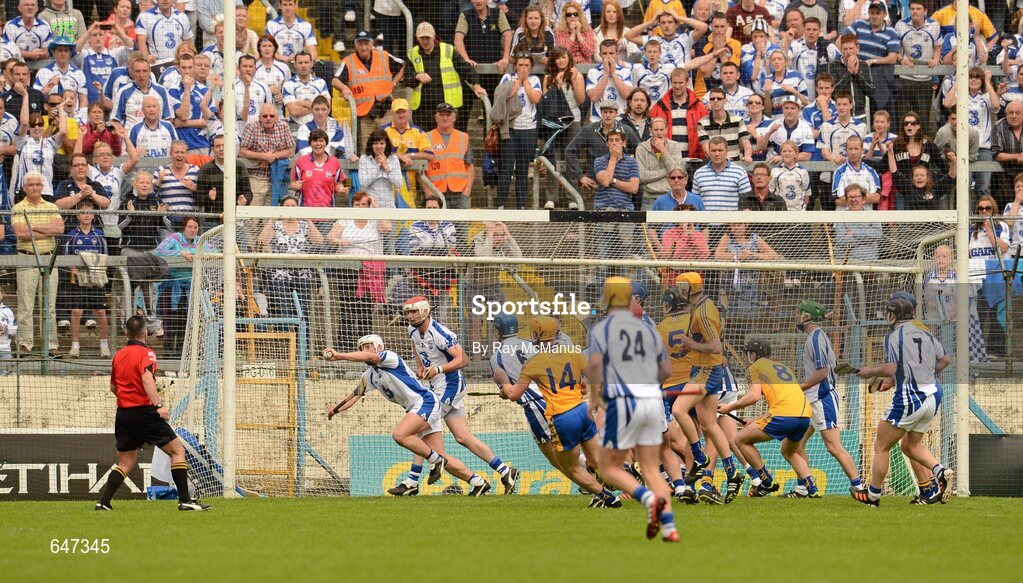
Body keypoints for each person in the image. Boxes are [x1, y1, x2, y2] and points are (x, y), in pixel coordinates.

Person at [325, 334, 489, 496]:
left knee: (400, 435)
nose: (364, 350)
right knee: (440, 454)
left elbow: (369, 356)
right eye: (361, 348)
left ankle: (428, 468)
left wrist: (339, 355)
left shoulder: (389, 357)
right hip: (417, 408)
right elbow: (354, 396)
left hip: (426, 402)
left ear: (379, 348)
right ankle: (477, 482)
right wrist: (336, 409)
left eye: (368, 346)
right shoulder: (368, 376)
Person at [388, 296, 517, 497]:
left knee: (416, 426)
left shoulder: (440, 333)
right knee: (462, 437)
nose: (411, 316)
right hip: (437, 386)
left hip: (450, 386)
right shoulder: (412, 330)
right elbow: (416, 346)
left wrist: (438, 369)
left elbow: (463, 359)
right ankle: (505, 471)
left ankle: (412, 481)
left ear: (425, 311)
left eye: (414, 311)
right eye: (408, 312)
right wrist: (421, 366)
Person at [585, 277, 678, 541]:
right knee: (651, 466)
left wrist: (595, 398)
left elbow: (594, 369)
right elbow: (667, 370)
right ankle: (669, 526)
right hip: (651, 401)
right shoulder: (649, 330)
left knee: (609, 467)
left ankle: (648, 499)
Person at [501, 316, 623, 507]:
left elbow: (515, 395)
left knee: (570, 468)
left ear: (536, 335)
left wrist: (504, 388)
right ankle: (636, 485)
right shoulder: (573, 353)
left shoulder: (532, 364)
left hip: (562, 417)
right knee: (598, 461)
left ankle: (608, 497)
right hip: (583, 411)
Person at [95, 315, 209, 511]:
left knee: (125, 462)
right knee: (177, 451)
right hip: (144, 412)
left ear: (125, 333)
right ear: (146, 333)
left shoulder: (118, 356)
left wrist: (127, 397)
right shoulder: (147, 354)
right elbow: (147, 379)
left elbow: (113, 387)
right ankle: (185, 501)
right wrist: (158, 406)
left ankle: (103, 502)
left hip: (123, 415)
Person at [853, 293, 954, 507]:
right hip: (933, 394)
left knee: (881, 445)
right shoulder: (925, 332)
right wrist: (916, 375)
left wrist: (870, 371)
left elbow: (890, 368)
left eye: (889, 311)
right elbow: (945, 359)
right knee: (910, 445)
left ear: (896, 313)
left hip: (911, 396)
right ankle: (940, 473)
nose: (887, 315)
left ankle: (873, 496)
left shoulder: (893, 336)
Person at [667, 271, 742, 502]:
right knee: (709, 424)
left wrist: (690, 343)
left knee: (678, 410)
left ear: (688, 288)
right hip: (704, 369)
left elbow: (716, 347)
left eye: (681, 286)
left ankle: (699, 458)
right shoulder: (700, 306)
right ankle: (732, 471)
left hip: (706, 372)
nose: (678, 289)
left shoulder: (703, 312)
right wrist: (689, 347)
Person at [719, 339, 819, 498]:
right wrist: (759, 419)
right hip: (804, 416)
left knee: (740, 440)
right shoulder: (782, 367)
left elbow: (754, 396)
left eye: (747, 355)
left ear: (753, 355)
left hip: (783, 415)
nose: (746, 359)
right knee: (789, 451)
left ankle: (766, 481)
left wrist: (729, 407)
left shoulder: (754, 367)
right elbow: (780, 398)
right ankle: (812, 489)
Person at [789, 300, 864, 496]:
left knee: (833, 447)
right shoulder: (817, 337)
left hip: (822, 398)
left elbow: (822, 373)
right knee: (796, 444)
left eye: (800, 313)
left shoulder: (815, 338)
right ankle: (802, 488)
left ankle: (859, 487)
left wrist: (801, 387)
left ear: (807, 317)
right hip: (812, 399)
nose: (798, 316)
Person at [326, 191, 390, 348]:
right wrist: (340, 241)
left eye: (364, 204)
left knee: (365, 310)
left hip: (370, 271)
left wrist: (376, 207)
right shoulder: (345, 219)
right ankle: (345, 347)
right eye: (357, 204)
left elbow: (387, 228)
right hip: (348, 270)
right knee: (347, 308)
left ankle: (366, 347)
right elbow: (331, 237)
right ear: (352, 205)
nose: (361, 207)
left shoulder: (375, 220)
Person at [11, 171, 62, 356]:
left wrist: (32, 227)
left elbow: (59, 228)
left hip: (49, 258)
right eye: (31, 184)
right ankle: (25, 344)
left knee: (49, 305)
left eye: (38, 184)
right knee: (26, 304)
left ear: (42, 186)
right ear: (25, 188)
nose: (35, 187)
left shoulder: (51, 206)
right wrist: (45, 231)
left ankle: (51, 345)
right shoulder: (18, 207)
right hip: (26, 257)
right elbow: (20, 233)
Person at [405, 22, 485, 134]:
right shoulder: (413, 54)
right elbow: (406, 78)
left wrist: (477, 85)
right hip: (423, 109)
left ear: (433, 37)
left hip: (446, 108)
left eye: (427, 37)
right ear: (417, 39)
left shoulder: (448, 50)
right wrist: (416, 76)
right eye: (422, 38)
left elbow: (467, 70)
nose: (425, 41)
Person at [257, 195, 323, 319]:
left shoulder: (304, 225)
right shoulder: (276, 224)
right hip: (279, 273)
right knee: (283, 309)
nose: (290, 208)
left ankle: (303, 337)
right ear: (281, 208)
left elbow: (319, 241)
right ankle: (285, 336)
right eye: (287, 206)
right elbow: (262, 241)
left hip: (303, 273)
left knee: (303, 311)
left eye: (293, 206)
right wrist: (271, 219)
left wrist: (309, 221)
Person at [334, 31, 404, 143]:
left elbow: (403, 66)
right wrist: (343, 87)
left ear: (372, 43)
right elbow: (335, 80)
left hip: (386, 112)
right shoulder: (348, 61)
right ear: (355, 45)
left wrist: (393, 83)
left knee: (390, 145)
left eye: (366, 43)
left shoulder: (383, 56)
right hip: (365, 115)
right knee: (366, 149)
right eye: (360, 44)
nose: (363, 47)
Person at [63, 199, 110, 358]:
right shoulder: (72, 235)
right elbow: (66, 255)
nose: (86, 215)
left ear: (94, 215)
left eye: (89, 212)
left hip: (96, 278)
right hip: (78, 280)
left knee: (100, 311)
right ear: (77, 215)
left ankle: (104, 345)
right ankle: (75, 346)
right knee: (76, 311)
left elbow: (105, 255)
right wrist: (71, 267)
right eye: (82, 212)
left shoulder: (99, 234)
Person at [497, 56, 540, 209]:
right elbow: (503, 97)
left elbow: (535, 98)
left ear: (531, 67)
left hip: (528, 130)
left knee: (523, 169)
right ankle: (501, 205)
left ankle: (520, 205)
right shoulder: (508, 78)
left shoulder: (534, 80)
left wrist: (525, 81)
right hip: (510, 129)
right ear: (515, 66)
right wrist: (517, 82)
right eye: (520, 65)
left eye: (527, 65)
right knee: (507, 168)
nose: (523, 68)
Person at [153, 216, 199, 356]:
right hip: (171, 287)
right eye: (189, 227)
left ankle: (180, 356)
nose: (192, 230)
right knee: (170, 323)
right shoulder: (174, 238)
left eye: (195, 227)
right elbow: (158, 252)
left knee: (185, 324)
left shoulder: (200, 241)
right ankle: (168, 355)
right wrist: (180, 253)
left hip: (190, 289)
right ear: (183, 227)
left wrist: (193, 253)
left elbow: (213, 252)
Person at [454, 0, 513, 103]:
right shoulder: (465, 15)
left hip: (494, 70)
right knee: (465, 109)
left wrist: (505, 58)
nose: (478, 1)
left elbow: (508, 34)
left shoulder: (498, 13)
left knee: (493, 107)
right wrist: (466, 59)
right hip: (472, 71)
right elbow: (458, 39)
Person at [894, 0, 941, 130]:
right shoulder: (901, 25)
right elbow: (894, 48)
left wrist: (936, 59)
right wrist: (902, 60)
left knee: (922, 119)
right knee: (903, 118)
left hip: (925, 80)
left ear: (925, 11)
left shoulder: (934, 25)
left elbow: (938, 46)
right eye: (912, 8)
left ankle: (921, 146)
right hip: (905, 79)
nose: (915, 11)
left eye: (918, 9)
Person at [886, 110, 946, 209]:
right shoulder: (897, 145)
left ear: (918, 126)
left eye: (912, 123)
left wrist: (934, 183)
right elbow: (883, 165)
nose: (909, 126)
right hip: (903, 191)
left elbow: (942, 166)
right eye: (906, 123)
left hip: (924, 192)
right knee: (904, 223)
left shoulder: (928, 145)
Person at [239, 104, 295, 207]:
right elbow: (242, 151)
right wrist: (263, 156)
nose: (268, 118)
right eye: (265, 116)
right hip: (257, 178)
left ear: (277, 117)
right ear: (259, 117)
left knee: (271, 217)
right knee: (253, 217)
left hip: (278, 179)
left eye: (271, 116)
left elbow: (291, 150)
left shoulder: (283, 126)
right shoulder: (251, 127)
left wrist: (273, 156)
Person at [650, 67, 709, 158]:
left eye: (680, 83)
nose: (677, 86)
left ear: (687, 82)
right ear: (670, 82)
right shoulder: (659, 106)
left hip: (693, 160)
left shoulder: (699, 107)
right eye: (675, 83)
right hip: (666, 159)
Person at [425, 102, 474, 210]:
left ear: (454, 117)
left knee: (461, 226)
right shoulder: (426, 138)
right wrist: (428, 193)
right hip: (436, 194)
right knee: (439, 227)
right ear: (436, 117)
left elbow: (469, 166)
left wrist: (467, 191)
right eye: (442, 115)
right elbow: (421, 170)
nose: (445, 118)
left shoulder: (463, 137)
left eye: (448, 115)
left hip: (460, 194)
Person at [290, 129, 347, 214]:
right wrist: (295, 185)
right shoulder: (301, 161)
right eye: (315, 140)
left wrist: (341, 189)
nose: (318, 144)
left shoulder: (334, 162)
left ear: (326, 143)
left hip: (327, 213)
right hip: (305, 214)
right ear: (310, 143)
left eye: (321, 140)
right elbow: (293, 182)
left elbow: (338, 183)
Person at [195, 134, 252, 218]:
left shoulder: (239, 166)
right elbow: (199, 198)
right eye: (218, 146)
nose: (221, 149)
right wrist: (209, 198)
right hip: (213, 220)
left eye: (224, 145)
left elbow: (248, 193)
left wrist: (244, 200)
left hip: (236, 218)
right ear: (212, 149)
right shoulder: (205, 169)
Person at [692, 136, 752, 211]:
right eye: (713, 150)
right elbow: (695, 202)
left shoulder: (740, 172)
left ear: (726, 151)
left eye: (720, 150)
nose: (717, 154)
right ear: (709, 152)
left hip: (731, 222)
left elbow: (747, 203)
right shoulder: (699, 174)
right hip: (706, 222)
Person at [636, 118, 685, 208]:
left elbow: (677, 173)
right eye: (656, 130)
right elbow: (642, 176)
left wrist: (663, 151)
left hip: (671, 196)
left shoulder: (675, 146)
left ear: (666, 130)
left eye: (661, 130)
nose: (659, 133)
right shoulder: (641, 148)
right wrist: (668, 171)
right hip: (649, 197)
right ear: (650, 130)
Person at [585, 39, 634, 122]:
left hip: (620, 119)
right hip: (597, 119)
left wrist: (614, 73)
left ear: (617, 54)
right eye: (604, 53)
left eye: (611, 53)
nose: (608, 56)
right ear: (600, 55)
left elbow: (626, 95)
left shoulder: (625, 71)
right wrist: (606, 73)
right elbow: (594, 97)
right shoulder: (593, 72)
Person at [823, 35, 874, 117]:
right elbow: (833, 91)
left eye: (851, 48)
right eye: (845, 49)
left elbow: (871, 91)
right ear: (841, 50)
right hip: (840, 114)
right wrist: (849, 73)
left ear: (857, 48)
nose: (848, 52)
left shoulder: (863, 65)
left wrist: (857, 74)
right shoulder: (834, 65)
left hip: (860, 115)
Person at [135, 0, 193, 71]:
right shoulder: (145, 16)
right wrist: (146, 56)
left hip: (178, 65)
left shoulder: (182, 17)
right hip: (156, 64)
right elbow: (140, 41)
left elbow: (188, 42)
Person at [698, 86, 752, 162]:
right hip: (713, 165)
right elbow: (706, 149)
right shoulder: (702, 123)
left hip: (735, 164)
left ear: (725, 101)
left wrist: (747, 156)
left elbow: (746, 142)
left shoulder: (738, 120)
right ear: (709, 102)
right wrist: (723, 159)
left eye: (719, 98)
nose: (715, 101)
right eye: (712, 99)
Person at [358, 128, 403, 211]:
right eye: (375, 143)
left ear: (386, 145)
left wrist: (386, 167)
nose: (379, 146)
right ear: (371, 145)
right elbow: (363, 183)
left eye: (382, 143)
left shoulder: (394, 159)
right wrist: (377, 166)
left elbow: (399, 184)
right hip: (371, 206)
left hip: (389, 206)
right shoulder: (364, 159)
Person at [832, 135, 880, 209]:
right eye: (850, 149)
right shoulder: (839, 172)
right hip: (845, 218)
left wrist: (851, 198)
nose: (853, 152)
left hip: (866, 218)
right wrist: (863, 197)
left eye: (856, 149)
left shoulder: (871, 172)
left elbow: (877, 198)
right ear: (846, 150)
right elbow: (837, 200)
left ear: (862, 150)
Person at [992, 101, 1023, 209]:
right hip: (1006, 173)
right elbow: (997, 154)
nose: (1014, 116)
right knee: (1006, 203)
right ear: (1006, 114)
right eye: (1011, 113)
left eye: (1017, 113)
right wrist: (1017, 156)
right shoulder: (999, 126)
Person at [3, 0, 52, 68]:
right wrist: (29, 54)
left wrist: (20, 51)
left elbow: (47, 51)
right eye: (26, 5)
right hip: (16, 65)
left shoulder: (44, 26)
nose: (30, 7)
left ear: (37, 8)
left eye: (33, 5)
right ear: (20, 8)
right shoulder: (10, 26)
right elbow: (8, 50)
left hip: (39, 65)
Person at [768, 143, 811, 210]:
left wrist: (804, 207)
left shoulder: (802, 172)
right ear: (781, 154)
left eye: (790, 151)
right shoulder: (775, 171)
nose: (787, 153)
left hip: (798, 211)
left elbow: (807, 192)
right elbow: (771, 191)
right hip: (780, 211)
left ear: (795, 154)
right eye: (784, 151)